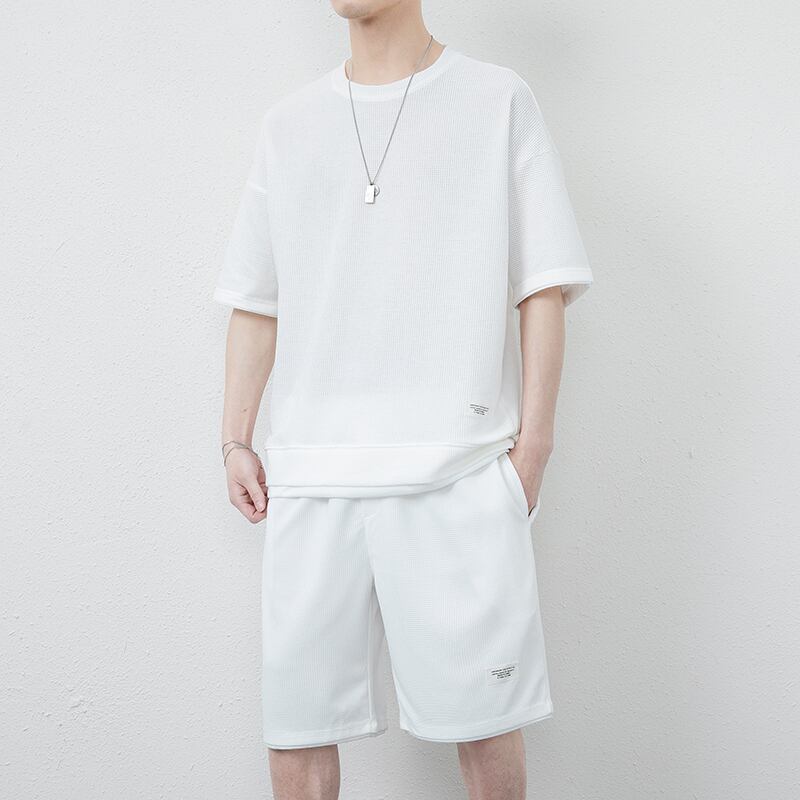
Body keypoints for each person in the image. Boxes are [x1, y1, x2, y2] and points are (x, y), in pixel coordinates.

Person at [214, 1, 593, 797]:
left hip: (459, 474)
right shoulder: (288, 125)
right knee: (296, 736)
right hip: (311, 476)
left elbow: (543, 285)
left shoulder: (497, 100)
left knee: (485, 729)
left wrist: (532, 452)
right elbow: (257, 299)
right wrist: (234, 437)